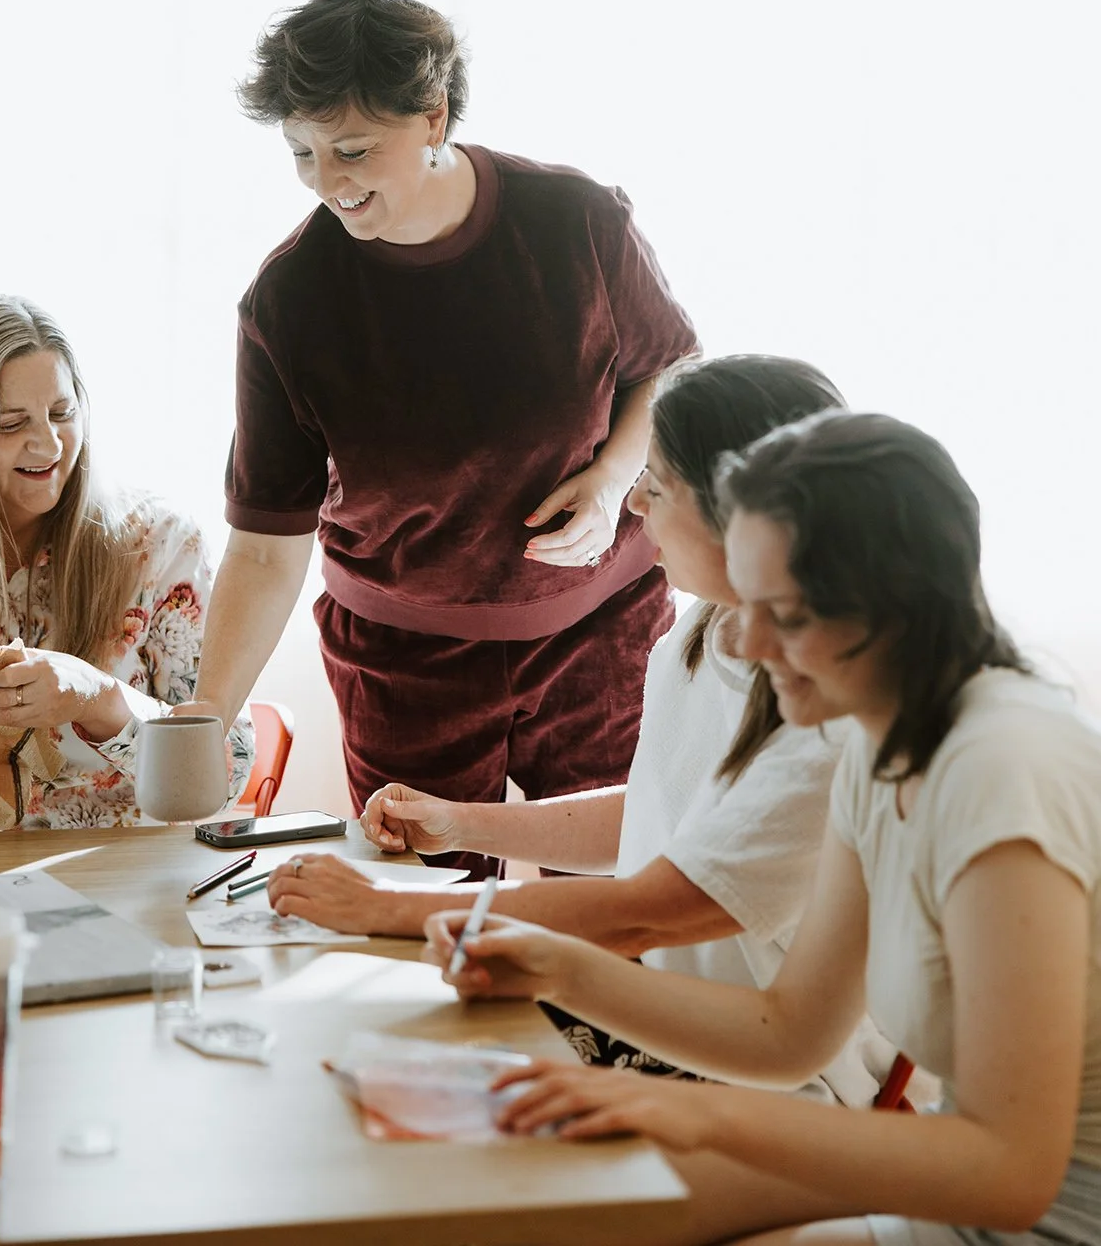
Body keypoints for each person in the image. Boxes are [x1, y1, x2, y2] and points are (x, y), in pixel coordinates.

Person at [425, 410, 1101, 1246]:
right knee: (552, 1212)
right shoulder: (878, 745)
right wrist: (557, 967)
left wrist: (686, 1112)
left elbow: (1008, 1175)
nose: (743, 639)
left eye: (775, 611)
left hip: (1030, 1223)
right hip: (952, 1210)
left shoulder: (1001, 771)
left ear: (882, 609)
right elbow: (787, 1034)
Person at [265, 353, 883, 1098]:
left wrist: (387, 905)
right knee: (359, 1045)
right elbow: (660, 816)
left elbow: (650, 911)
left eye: (653, 484)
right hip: (665, 1011)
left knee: (395, 1069)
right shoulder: (704, 631)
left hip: (762, 1068)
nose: (636, 508)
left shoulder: (824, 708)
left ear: (739, 510)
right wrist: (463, 824)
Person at [190, 0, 696, 863]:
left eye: (351, 150)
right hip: (403, 664)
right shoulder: (290, 301)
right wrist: (205, 720)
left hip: (600, 636)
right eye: (302, 153)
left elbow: (672, 371)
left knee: (624, 891)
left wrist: (615, 479)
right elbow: (267, 545)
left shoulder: (576, 221)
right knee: (417, 922)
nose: (328, 183)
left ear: (432, 116)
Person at [0, 297, 254, 831]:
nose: (47, 443)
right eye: (10, 423)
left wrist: (100, 701)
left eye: (63, 414)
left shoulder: (159, 546)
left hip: (121, 884)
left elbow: (228, 771)